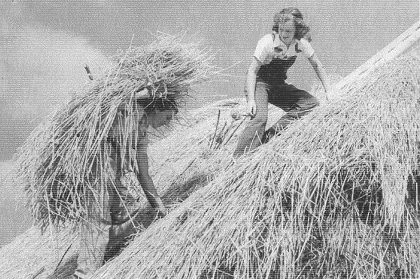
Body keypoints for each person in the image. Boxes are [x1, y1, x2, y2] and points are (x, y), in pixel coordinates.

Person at [73, 95, 178, 278]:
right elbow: (117, 101)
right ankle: (83, 274)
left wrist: (157, 204)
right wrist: (148, 92)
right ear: (156, 110)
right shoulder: (131, 112)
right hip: (98, 172)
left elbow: (143, 173)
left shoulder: (142, 134)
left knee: (131, 213)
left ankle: (105, 251)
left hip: (114, 179)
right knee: (97, 221)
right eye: (167, 117)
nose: (167, 122)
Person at [233, 7, 330, 157]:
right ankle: (238, 159)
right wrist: (251, 100)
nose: (284, 34)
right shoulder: (267, 42)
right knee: (260, 118)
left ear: (297, 31)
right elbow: (252, 71)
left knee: (310, 103)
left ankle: (265, 140)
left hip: (277, 85)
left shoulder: (301, 43)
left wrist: (328, 90)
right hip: (259, 82)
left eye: (289, 31)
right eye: (281, 30)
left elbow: (317, 65)